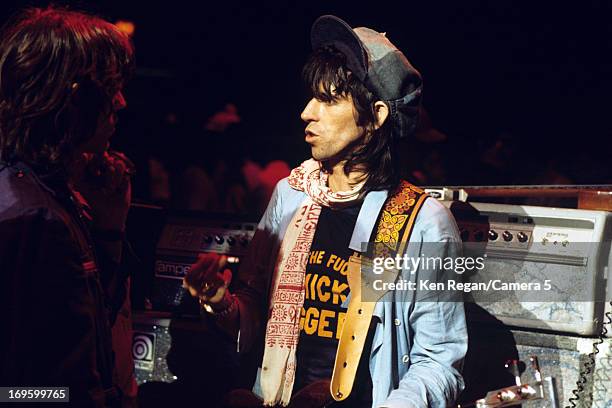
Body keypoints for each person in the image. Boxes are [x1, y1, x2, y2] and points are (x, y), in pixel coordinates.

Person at [184, 15, 467, 407]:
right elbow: (251, 318)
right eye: (310, 97)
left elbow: (439, 360)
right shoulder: (291, 195)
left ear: (376, 116)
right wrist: (220, 303)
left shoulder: (418, 221)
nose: (307, 112)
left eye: (328, 100)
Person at [0, 7, 137, 407]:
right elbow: (23, 391)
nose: (121, 102)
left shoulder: (42, 196)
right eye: (110, 86)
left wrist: (110, 231)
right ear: (70, 97)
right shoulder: (31, 216)